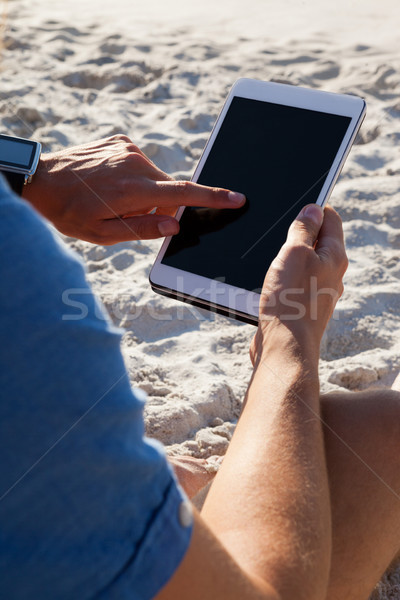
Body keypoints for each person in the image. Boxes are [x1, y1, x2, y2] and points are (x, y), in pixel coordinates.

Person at [0, 134, 399, 600]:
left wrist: (31, 176)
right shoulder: (22, 282)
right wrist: (286, 340)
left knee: (371, 429)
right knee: (382, 438)